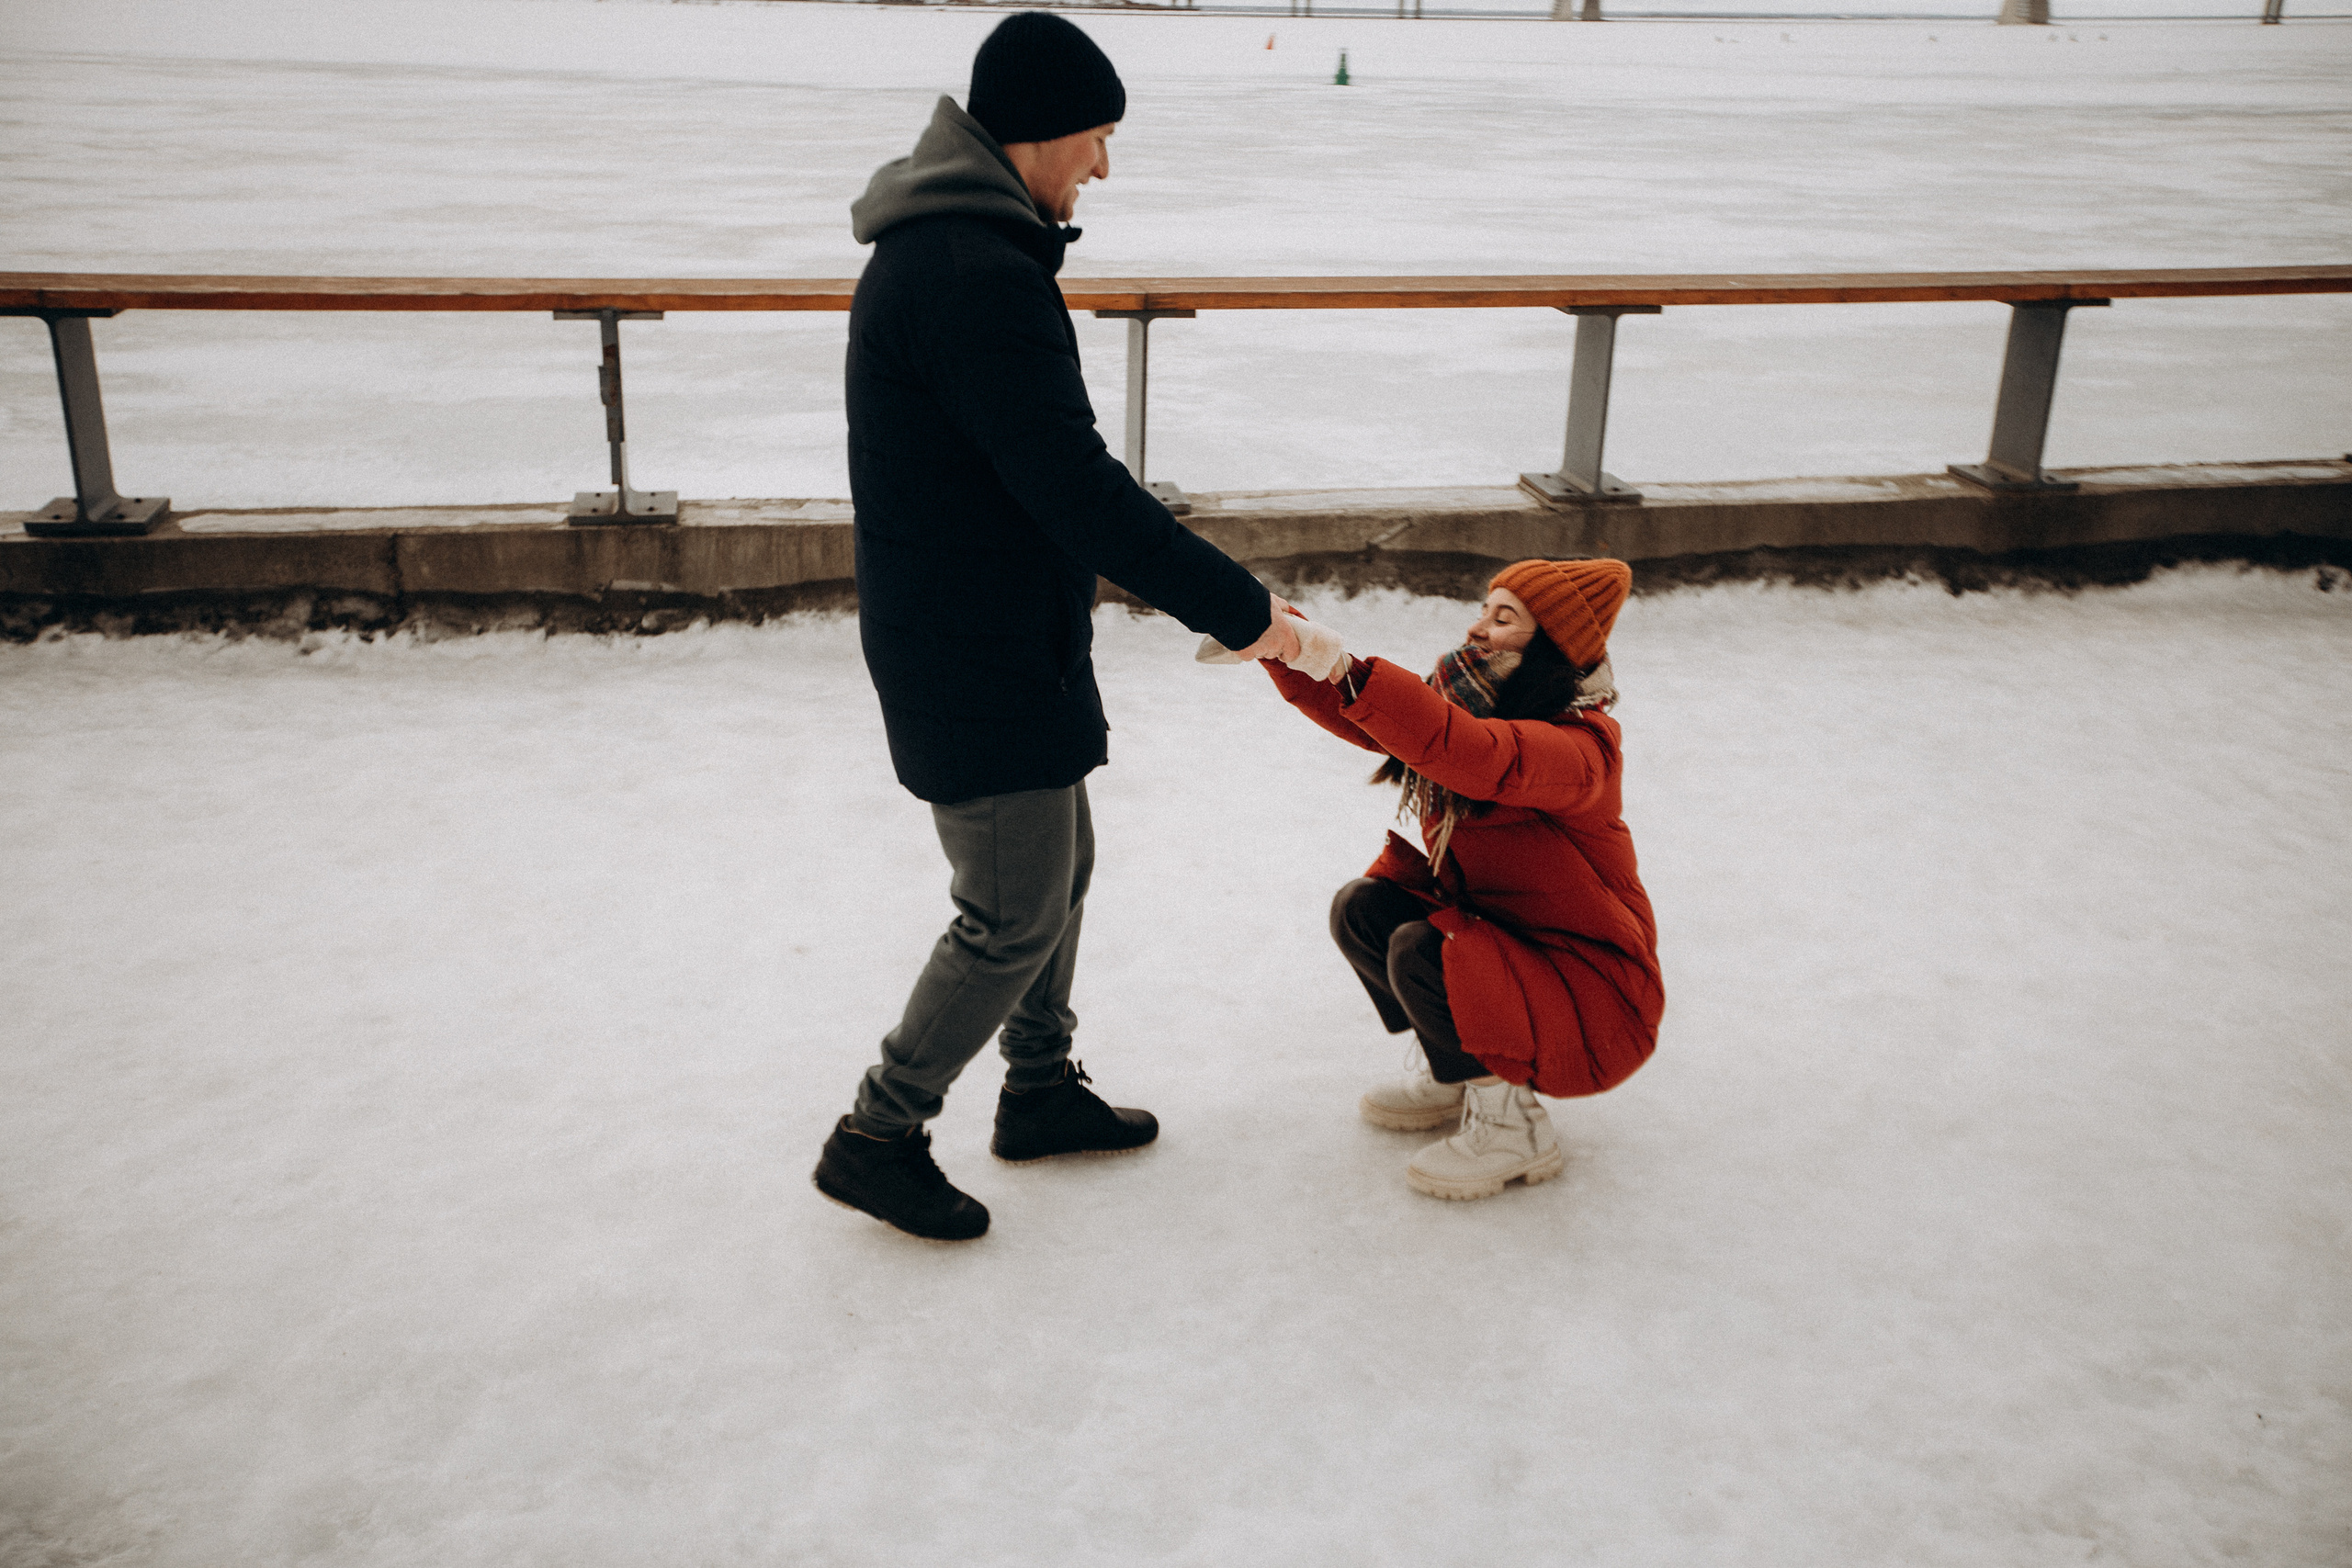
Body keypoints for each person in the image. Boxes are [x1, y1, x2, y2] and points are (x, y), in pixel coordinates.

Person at [813, 12, 1305, 1243]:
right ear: (1035, 132)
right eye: (1095, 137)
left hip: (994, 624)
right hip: (968, 640)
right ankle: (877, 1131)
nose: (1103, 166)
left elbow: (1038, 482)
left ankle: (1039, 1085)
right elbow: (1077, 489)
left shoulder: (969, 249)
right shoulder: (974, 274)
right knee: (1012, 908)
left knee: (1060, 871)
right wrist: (1249, 614)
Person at [1259, 560, 1665, 1201]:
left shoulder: (1582, 749)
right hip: (1514, 950)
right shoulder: (1471, 701)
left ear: (1551, 646)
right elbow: (1384, 722)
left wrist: (1338, 662)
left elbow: (1477, 756)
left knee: (1425, 951)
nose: (1478, 627)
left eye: (1504, 618)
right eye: (1484, 608)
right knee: (1365, 909)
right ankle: (1459, 1072)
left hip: (1592, 989)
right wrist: (1288, 646)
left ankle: (1515, 1129)